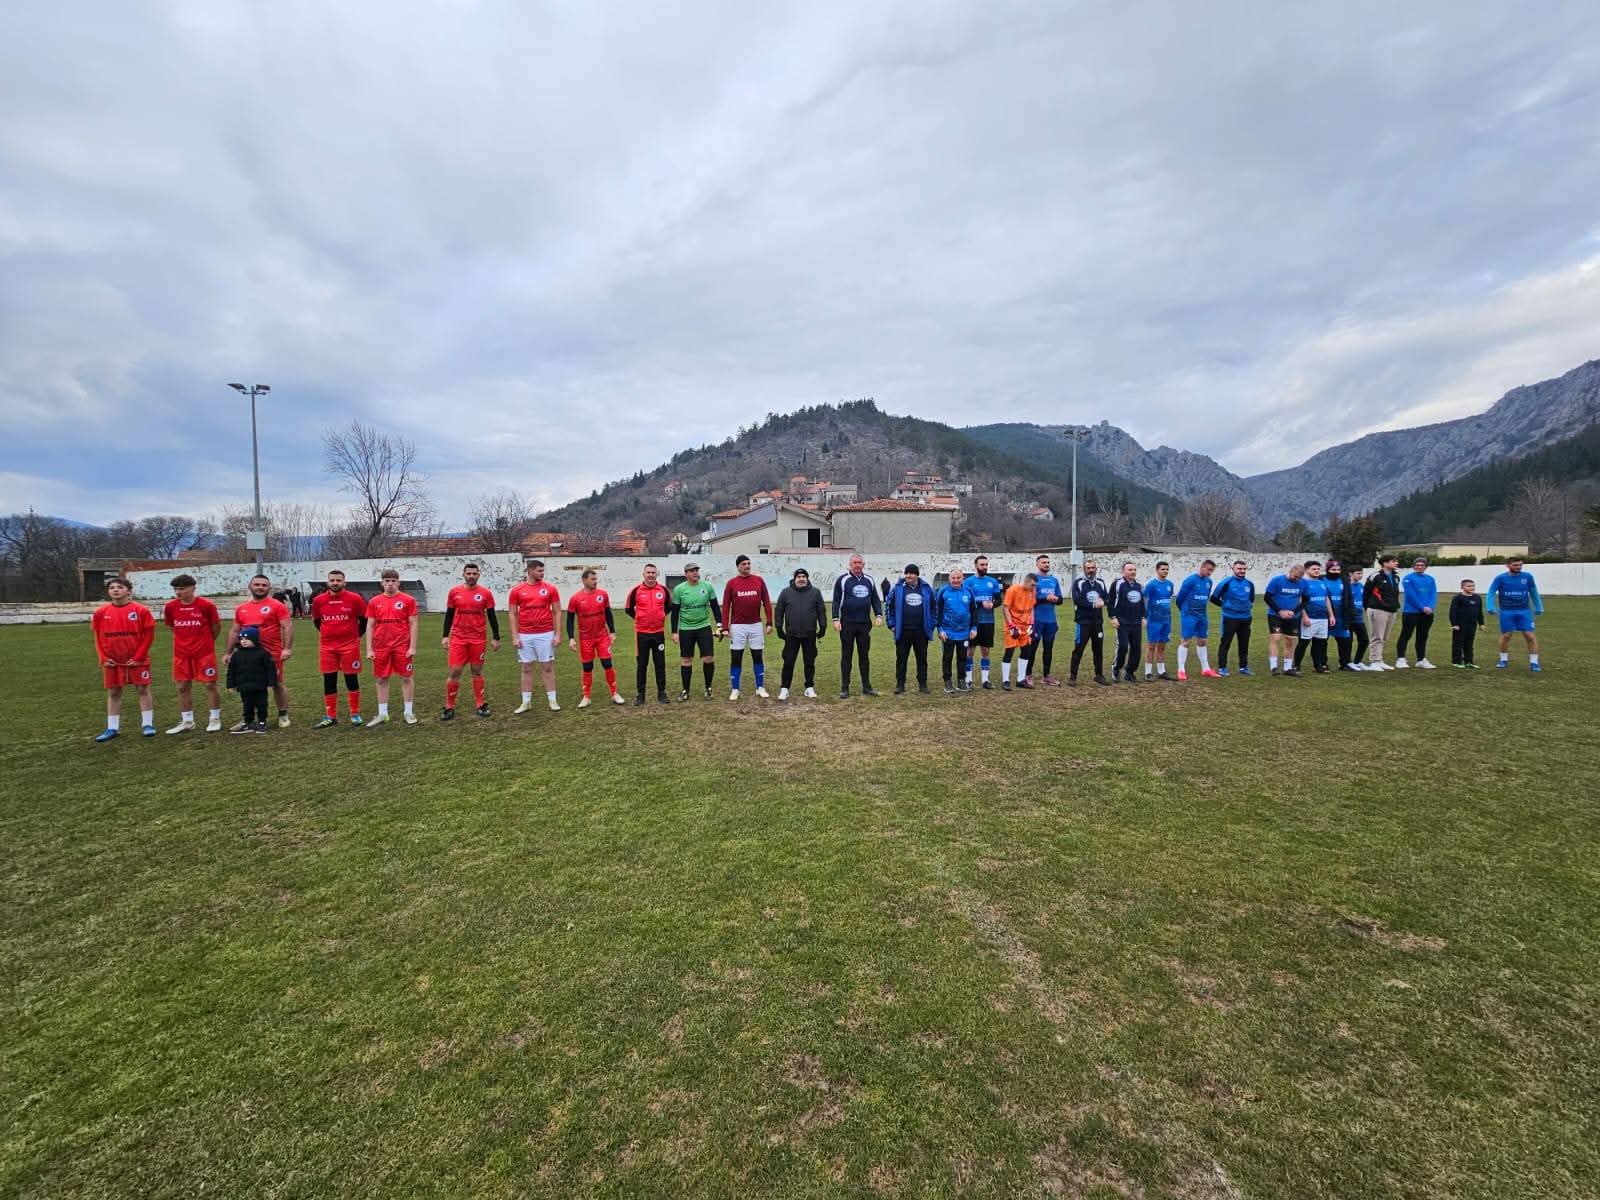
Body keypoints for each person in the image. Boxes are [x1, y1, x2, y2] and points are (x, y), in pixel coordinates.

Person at [91, 576, 157, 741]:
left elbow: (148, 636)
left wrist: (139, 656)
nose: (115, 590)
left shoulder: (141, 611)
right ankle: (112, 728)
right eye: (112, 587)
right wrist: (103, 657)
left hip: (137, 659)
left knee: (142, 689)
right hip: (112, 660)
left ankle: (147, 724)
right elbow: (97, 637)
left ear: (128, 591)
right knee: (114, 692)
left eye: (120, 587)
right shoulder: (100, 613)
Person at [225, 574, 294, 727]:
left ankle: (283, 715)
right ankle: (249, 718)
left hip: (271, 653)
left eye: (264, 585)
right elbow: (235, 631)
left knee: (277, 683)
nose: (260, 587)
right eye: (257, 584)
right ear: (250, 587)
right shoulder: (242, 608)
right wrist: (228, 652)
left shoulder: (277, 605)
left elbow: (287, 626)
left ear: (269, 588)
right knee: (249, 684)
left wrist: (287, 648)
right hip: (248, 655)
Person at [162, 573, 223, 733]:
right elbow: (172, 627)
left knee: (210, 684)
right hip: (181, 654)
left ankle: (215, 719)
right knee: (182, 686)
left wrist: (206, 642)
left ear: (193, 588)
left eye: (182, 589)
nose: (178, 592)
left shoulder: (206, 605)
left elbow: (216, 627)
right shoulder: (170, 607)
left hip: (204, 653)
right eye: (176, 589)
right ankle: (187, 721)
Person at [440, 563, 500, 720]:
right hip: (458, 638)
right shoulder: (454, 592)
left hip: (478, 639)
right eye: (469, 573)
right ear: (463, 574)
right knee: (455, 671)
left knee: (477, 671)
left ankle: (480, 704)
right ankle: (449, 706)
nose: (471, 576)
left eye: (474, 573)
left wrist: (496, 637)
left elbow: (492, 616)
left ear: (478, 575)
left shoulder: (485, 593)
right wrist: (445, 635)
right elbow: (449, 615)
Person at [310, 569, 368, 727]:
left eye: (338, 580)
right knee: (329, 680)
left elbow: (364, 620)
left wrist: (356, 635)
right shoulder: (319, 600)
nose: (335, 583)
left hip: (349, 646)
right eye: (332, 580)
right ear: (328, 582)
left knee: (351, 678)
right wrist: (328, 634)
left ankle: (355, 713)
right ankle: (330, 716)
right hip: (327, 647)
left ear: (344, 582)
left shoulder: (355, 599)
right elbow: (317, 621)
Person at [364, 569, 420, 725]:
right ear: (382, 583)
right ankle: (383, 714)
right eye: (387, 581)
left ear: (398, 582)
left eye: (393, 581)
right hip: (381, 646)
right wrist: (369, 649)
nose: (390, 584)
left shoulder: (408, 600)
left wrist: (412, 646)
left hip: (402, 646)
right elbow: (370, 625)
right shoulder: (374, 601)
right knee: (381, 678)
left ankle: (408, 712)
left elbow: (413, 623)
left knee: (406, 677)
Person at [507, 559, 562, 713]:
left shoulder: (550, 588)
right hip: (525, 635)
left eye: (543, 571)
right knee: (526, 668)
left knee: (547, 667)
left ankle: (552, 700)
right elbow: (512, 613)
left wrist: (558, 634)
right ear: (530, 570)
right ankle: (526, 702)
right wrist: (515, 636)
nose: (542, 573)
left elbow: (557, 611)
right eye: (539, 571)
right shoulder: (517, 590)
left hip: (546, 634)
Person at [566, 568, 625, 707]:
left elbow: (608, 613)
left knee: (607, 664)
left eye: (596, 579)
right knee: (587, 667)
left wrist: (612, 631)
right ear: (584, 580)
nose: (595, 582)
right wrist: (571, 638)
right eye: (592, 579)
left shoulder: (602, 595)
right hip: (585, 638)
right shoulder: (575, 598)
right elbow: (569, 619)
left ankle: (614, 693)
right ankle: (586, 697)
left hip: (602, 636)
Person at [721, 554, 774, 700]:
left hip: (756, 625)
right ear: (738, 566)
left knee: (757, 656)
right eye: (744, 564)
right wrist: (725, 627)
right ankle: (735, 689)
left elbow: (767, 602)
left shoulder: (759, 581)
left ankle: (760, 687)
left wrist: (769, 623)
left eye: (748, 563)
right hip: (737, 627)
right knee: (736, 657)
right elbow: (725, 606)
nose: (747, 566)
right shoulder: (731, 583)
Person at [831, 554, 883, 698]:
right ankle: (845, 688)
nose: (857, 565)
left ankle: (866, 687)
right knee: (846, 656)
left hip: (864, 624)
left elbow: (875, 599)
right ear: (850, 564)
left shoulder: (869, 580)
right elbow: (836, 600)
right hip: (847, 624)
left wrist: (879, 615)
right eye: (855, 562)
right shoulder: (843, 580)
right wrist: (835, 619)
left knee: (864, 656)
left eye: (860, 562)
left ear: (863, 564)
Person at [773, 567, 827, 700]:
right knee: (788, 662)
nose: (801, 579)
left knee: (809, 662)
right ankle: (784, 688)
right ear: (795, 579)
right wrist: (779, 627)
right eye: (799, 577)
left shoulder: (815, 592)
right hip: (792, 634)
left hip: (810, 634)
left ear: (807, 579)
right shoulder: (786, 592)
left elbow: (821, 611)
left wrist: (823, 627)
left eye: (804, 577)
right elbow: (779, 611)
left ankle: (809, 687)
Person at [671, 562, 722, 700]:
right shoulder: (679, 590)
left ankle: (708, 688)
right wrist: (674, 632)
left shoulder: (707, 586)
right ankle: (685, 691)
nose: (695, 572)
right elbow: (675, 612)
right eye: (691, 570)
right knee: (686, 660)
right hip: (686, 629)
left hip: (704, 627)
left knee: (708, 658)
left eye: (696, 570)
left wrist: (719, 625)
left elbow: (715, 607)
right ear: (686, 574)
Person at [624, 563, 671, 705]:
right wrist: (639, 618)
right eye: (648, 572)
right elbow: (628, 609)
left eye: (653, 572)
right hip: (642, 634)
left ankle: (662, 693)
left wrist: (660, 616)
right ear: (643, 574)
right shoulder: (636, 591)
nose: (650, 575)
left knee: (660, 664)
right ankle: (640, 695)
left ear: (657, 574)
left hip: (658, 634)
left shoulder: (663, 590)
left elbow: (669, 606)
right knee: (642, 665)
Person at [1486, 557, 1544, 671]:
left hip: (1524, 611)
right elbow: (1491, 592)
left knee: (1530, 636)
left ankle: (1534, 662)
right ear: (1508, 565)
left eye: (1520, 565)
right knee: (1506, 636)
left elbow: (1533, 591)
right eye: (1515, 565)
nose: (1518, 567)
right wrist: (1490, 606)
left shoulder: (1527, 577)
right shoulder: (1500, 578)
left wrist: (1539, 606)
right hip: (1506, 611)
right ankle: (1503, 659)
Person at [886, 564, 935, 694]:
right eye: (906, 573)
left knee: (922, 659)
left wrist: (931, 625)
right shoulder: (897, 588)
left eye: (911, 573)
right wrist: (891, 624)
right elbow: (889, 606)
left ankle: (923, 684)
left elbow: (934, 608)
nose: (908, 576)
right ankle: (900, 684)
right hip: (903, 631)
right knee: (901, 659)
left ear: (917, 575)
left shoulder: (926, 588)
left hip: (921, 631)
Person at [225, 624, 277, 734]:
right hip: (244, 686)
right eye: (241, 639)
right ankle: (248, 722)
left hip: (260, 686)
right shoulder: (236, 655)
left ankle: (262, 722)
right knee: (247, 705)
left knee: (261, 705)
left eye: (247, 639)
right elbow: (231, 671)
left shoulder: (263, 653)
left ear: (254, 639)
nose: (243, 641)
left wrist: (271, 683)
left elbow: (270, 669)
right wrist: (230, 684)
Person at [933, 567, 978, 693]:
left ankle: (961, 681)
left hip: (964, 632)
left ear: (963, 578)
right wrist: (940, 629)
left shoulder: (968, 591)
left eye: (958, 578)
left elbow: (974, 611)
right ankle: (947, 681)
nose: (956, 580)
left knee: (962, 657)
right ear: (949, 578)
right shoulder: (943, 591)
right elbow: (938, 612)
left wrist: (974, 627)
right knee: (947, 657)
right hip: (948, 632)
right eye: (953, 578)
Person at [1068, 559, 1111, 687]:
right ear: (1084, 569)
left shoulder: (1100, 582)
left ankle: (1099, 675)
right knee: (1079, 649)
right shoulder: (1079, 583)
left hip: (1097, 622)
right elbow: (1077, 600)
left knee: (1098, 649)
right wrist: (1093, 605)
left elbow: (1107, 597)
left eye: (1093, 568)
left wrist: (1104, 602)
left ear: (1096, 569)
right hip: (1083, 622)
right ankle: (1073, 677)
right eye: (1088, 568)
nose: (1091, 570)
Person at [1210, 560, 1256, 677]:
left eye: (1244, 569)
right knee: (1225, 643)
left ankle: (1243, 667)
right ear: (1233, 569)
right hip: (1230, 618)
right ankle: (1222, 668)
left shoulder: (1249, 584)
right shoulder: (1226, 582)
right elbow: (1214, 598)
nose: (1242, 571)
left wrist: (1246, 607)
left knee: (1244, 643)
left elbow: (1251, 599)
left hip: (1245, 618)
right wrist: (1227, 606)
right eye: (1239, 569)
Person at [965, 555, 1005, 689]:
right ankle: (968, 680)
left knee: (986, 650)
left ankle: (985, 680)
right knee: (970, 650)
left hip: (988, 621)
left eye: (986, 564)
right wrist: (980, 602)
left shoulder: (992, 581)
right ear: (975, 565)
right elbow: (966, 601)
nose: (985, 567)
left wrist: (993, 604)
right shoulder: (968, 582)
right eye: (982, 565)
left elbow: (999, 600)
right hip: (973, 622)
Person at [1175, 560, 1218, 680]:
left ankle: (1206, 669)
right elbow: (1179, 599)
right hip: (1189, 615)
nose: (1210, 573)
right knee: (1186, 641)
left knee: (1202, 640)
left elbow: (1206, 597)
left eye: (1212, 571)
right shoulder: (1190, 580)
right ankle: (1181, 670)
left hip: (1202, 615)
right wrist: (1185, 611)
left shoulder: (1209, 581)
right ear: (1202, 567)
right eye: (1209, 570)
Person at [1292, 560, 1336, 674]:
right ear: (1306, 570)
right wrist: (1305, 616)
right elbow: (1299, 600)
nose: (1317, 571)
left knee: (1319, 643)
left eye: (1318, 569)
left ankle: (1317, 666)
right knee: (1303, 643)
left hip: (1323, 618)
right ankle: (1296, 666)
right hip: (1309, 617)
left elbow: (1326, 599)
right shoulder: (1302, 583)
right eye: (1314, 569)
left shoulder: (1321, 583)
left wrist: (1331, 615)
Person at [1262, 563, 1307, 677]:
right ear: (1291, 571)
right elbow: (1267, 597)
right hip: (1275, 615)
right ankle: (1274, 667)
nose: (1297, 579)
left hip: (1293, 617)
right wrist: (1279, 611)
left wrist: (1294, 612)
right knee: (1276, 638)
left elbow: (1306, 600)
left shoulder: (1303, 583)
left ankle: (1287, 668)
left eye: (1299, 578)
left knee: (1290, 641)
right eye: (1295, 576)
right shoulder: (1277, 580)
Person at [1394, 556, 1438, 669]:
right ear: (1413, 567)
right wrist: (1422, 607)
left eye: (1422, 565)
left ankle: (1421, 660)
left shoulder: (1430, 579)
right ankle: (1400, 659)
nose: (1419, 567)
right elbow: (1411, 595)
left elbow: (1433, 594)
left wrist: (1430, 607)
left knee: (1422, 636)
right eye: (1417, 565)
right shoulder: (1408, 578)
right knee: (1406, 634)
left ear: (1426, 567)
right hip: (1411, 612)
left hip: (1427, 612)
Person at [1108, 562, 1145, 684]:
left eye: (1134, 569)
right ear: (1123, 571)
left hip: (1136, 622)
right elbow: (1110, 601)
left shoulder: (1139, 585)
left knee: (1136, 648)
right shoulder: (1117, 584)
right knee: (1123, 647)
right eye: (1130, 570)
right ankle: (1116, 668)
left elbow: (1142, 602)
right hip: (1122, 622)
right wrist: (1113, 617)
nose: (1133, 572)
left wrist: (1143, 617)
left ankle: (1130, 672)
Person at [1031, 553, 1065, 685]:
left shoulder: (1053, 580)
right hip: (1037, 620)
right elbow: (1030, 599)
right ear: (1037, 564)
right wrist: (1046, 598)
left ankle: (1046, 676)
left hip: (1051, 620)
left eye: (1048, 562)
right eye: (1043, 562)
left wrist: (1056, 599)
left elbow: (1060, 600)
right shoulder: (1033, 579)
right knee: (1032, 648)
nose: (1046, 564)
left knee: (1048, 648)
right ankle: (1027, 675)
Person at [1000, 573, 1038, 690]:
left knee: (1026, 651)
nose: (1034, 587)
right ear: (1026, 582)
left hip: (1025, 626)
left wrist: (1032, 623)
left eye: (1035, 585)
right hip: (1013, 626)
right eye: (1032, 585)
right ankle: (1005, 681)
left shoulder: (1032, 591)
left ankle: (1021, 680)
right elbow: (1005, 608)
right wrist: (1011, 626)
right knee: (1009, 651)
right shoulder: (1013, 590)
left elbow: (1032, 608)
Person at [1363, 555, 1401, 670]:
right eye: (1393, 561)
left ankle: (1379, 660)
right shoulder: (1375, 576)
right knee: (1377, 636)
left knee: (1384, 637)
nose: (1396, 563)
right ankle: (1374, 661)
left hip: (1392, 610)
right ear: (1385, 563)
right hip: (1378, 609)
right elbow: (1366, 593)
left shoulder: (1396, 577)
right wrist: (1368, 608)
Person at [1143, 561, 1175, 680]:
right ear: (1157, 570)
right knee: (1151, 645)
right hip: (1154, 620)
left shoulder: (1170, 584)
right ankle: (1148, 672)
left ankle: (1161, 671)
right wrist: (1144, 617)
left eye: (1167, 569)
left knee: (1162, 645)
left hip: (1166, 620)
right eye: (1163, 569)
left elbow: (1168, 599)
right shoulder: (1151, 585)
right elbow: (1145, 601)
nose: (1165, 571)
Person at [1326, 560, 1360, 671]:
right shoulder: (1322, 580)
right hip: (1325, 617)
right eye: (1333, 569)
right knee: (1321, 642)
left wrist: (1352, 613)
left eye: (1338, 569)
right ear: (1327, 570)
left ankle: (1345, 663)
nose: (1336, 572)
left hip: (1342, 616)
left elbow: (1349, 597)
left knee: (1345, 641)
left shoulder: (1344, 580)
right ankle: (1322, 663)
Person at [1450, 579, 1485, 668]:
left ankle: (1468, 662)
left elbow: (1479, 612)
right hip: (1460, 625)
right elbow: (1453, 612)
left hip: (1472, 624)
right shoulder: (1458, 598)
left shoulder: (1477, 598)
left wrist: (1481, 623)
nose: (1471, 588)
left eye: (1473, 586)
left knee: (1469, 643)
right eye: (1469, 586)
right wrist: (1454, 624)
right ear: (1462, 587)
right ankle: (1456, 662)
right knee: (1458, 643)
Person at [1347, 566, 1370, 670]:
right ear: (1350, 574)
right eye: (1358, 573)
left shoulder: (1361, 585)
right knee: (1348, 641)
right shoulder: (1346, 586)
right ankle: (1346, 662)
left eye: (1361, 573)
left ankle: (1357, 661)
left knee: (1364, 640)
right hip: (1349, 618)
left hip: (1359, 618)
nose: (1360, 575)